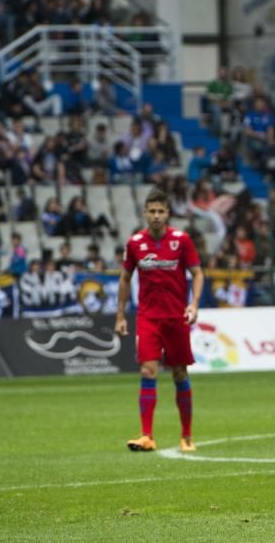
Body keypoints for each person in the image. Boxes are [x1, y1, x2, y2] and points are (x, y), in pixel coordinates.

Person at [114, 188, 204, 453]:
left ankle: (186, 436)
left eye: (160, 211)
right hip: (148, 318)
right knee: (147, 371)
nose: (156, 216)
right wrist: (120, 315)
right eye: (151, 211)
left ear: (168, 214)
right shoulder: (134, 244)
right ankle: (147, 436)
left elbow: (198, 273)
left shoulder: (182, 240)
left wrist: (195, 303)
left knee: (179, 373)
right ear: (145, 213)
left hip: (176, 318)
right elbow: (124, 278)